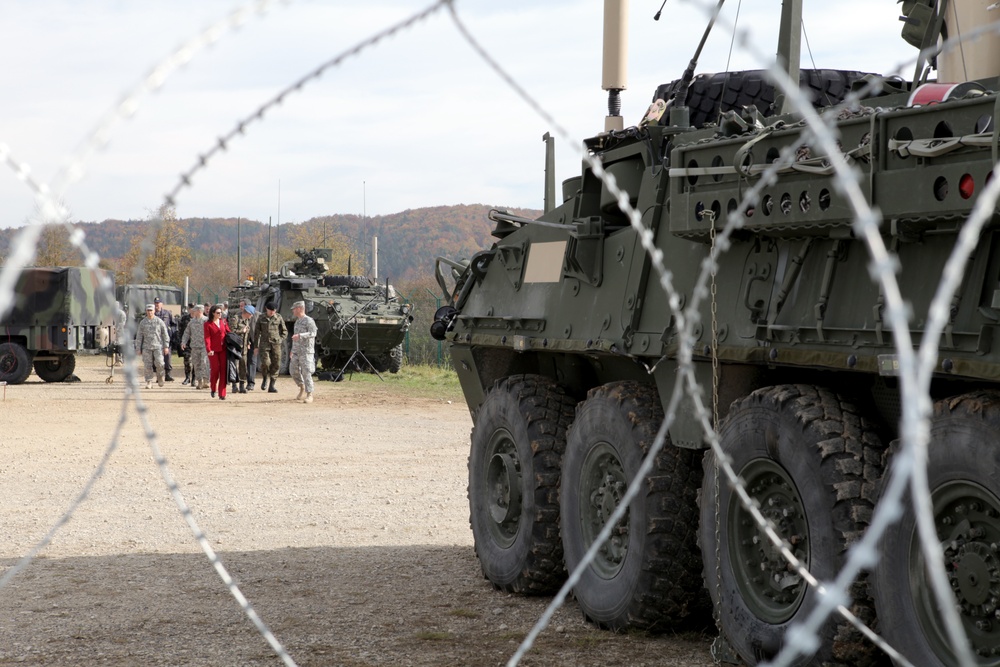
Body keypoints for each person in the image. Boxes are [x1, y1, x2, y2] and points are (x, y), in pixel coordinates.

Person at [254, 301, 287, 393]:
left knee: (276, 364)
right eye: (270, 310)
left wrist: (281, 339)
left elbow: (284, 331)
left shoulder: (279, 317)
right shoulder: (261, 317)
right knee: (266, 363)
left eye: (274, 310)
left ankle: (272, 385)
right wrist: (256, 346)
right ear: (266, 309)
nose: (272, 312)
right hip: (264, 344)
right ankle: (265, 378)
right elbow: (257, 333)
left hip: (276, 344)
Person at [289, 300, 317, 403]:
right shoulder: (297, 321)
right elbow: (294, 337)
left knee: (306, 372)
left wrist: (301, 336)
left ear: (299, 309)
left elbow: (313, 333)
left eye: (294, 309)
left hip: (306, 351)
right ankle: (301, 387)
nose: (293, 311)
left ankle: (309, 394)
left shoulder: (309, 321)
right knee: (293, 370)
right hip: (297, 351)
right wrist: (292, 350)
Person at [136, 303, 169, 389]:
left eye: (151, 310)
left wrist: (166, 346)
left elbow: (165, 334)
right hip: (146, 347)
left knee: (160, 363)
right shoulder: (143, 322)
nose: (150, 312)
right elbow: (139, 336)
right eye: (148, 310)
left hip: (158, 346)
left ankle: (160, 377)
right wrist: (138, 348)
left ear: (154, 311)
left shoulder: (159, 321)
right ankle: (149, 381)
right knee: (147, 365)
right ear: (146, 311)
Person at [204, 304, 231, 400]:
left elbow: (229, 332)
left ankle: (222, 393)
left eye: (221, 313)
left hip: (223, 349)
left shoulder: (223, 322)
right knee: (215, 370)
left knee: (223, 371)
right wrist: (209, 349)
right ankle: (213, 388)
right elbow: (207, 338)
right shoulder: (208, 324)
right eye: (218, 313)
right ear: (213, 313)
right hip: (213, 351)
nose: (220, 314)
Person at [180, 304, 209, 389]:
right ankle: (199, 381)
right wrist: (183, 342)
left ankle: (206, 380)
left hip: (204, 346)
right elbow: (187, 333)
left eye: (195, 310)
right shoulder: (191, 322)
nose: (193, 311)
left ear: (200, 311)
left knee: (204, 362)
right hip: (195, 346)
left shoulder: (206, 321)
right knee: (196, 365)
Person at [231, 304, 256, 394]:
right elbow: (231, 332)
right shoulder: (236, 319)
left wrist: (248, 342)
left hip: (244, 348)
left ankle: (242, 386)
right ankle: (234, 386)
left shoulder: (247, 320)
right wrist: (242, 331)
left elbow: (247, 333)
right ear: (247, 312)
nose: (252, 316)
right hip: (235, 347)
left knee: (243, 367)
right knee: (235, 367)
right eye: (251, 314)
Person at [153, 297, 176, 381]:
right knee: (157, 358)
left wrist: (171, 332)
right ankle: (159, 376)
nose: (157, 305)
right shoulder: (152, 313)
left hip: (166, 339)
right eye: (155, 303)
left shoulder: (167, 313)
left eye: (158, 303)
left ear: (162, 304)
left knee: (167, 358)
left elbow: (173, 324)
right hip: (156, 339)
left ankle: (168, 375)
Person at [177, 304, 194, 385]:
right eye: (191, 308)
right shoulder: (184, 318)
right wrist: (181, 341)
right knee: (187, 360)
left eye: (193, 308)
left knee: (196, 362)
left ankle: (194, 378)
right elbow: (180, 331)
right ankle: (187, 377)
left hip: (197, 343)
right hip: (187, 343)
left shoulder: (201, 318)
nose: (192, 309)